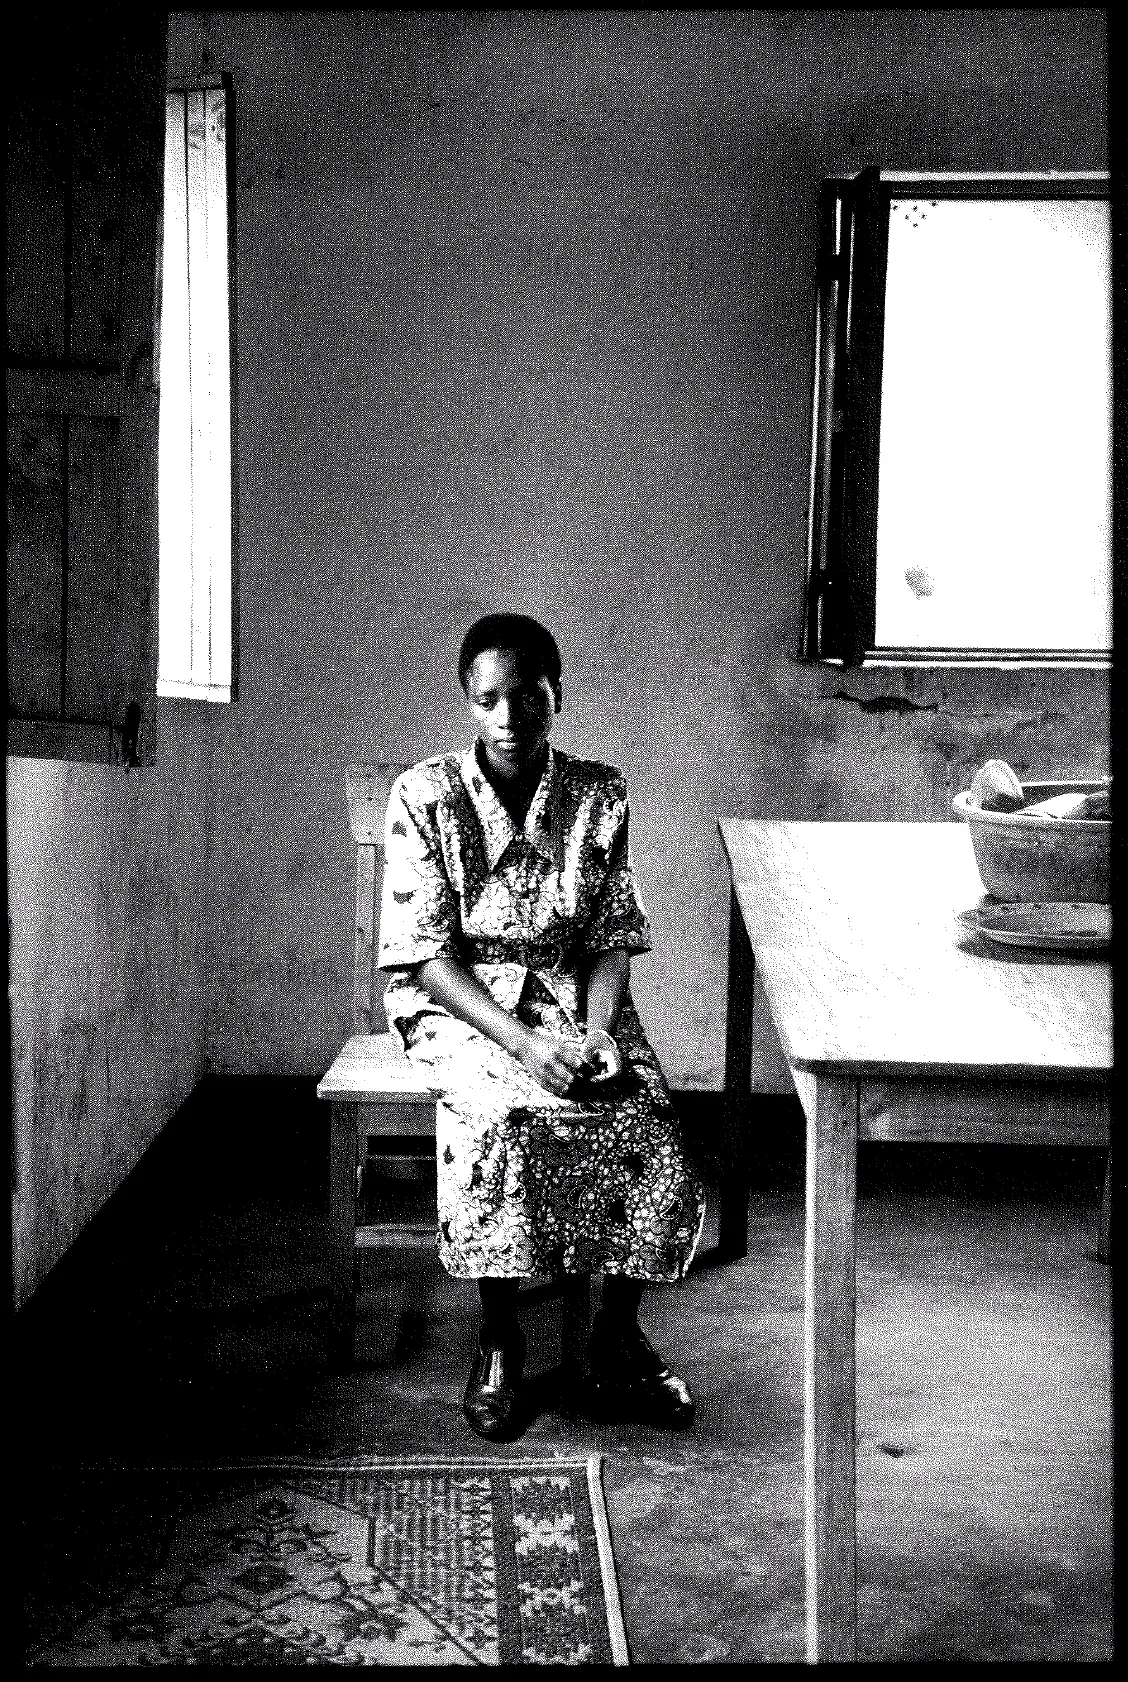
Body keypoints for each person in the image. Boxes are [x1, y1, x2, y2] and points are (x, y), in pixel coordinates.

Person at [376, 613, 705, 1439]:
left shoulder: (600, 792)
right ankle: (500, 1337)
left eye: (528, 697)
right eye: (489, 699)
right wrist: (522, 1044)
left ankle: (616, 1334)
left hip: (570, 993)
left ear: (558, 694)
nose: (509, 718)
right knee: (505, 1119)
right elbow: (424, 959)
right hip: (464, 1003)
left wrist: (594, 1034)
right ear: (468, 703)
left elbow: (611, 936)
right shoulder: (425, 795)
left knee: (644, 1114)